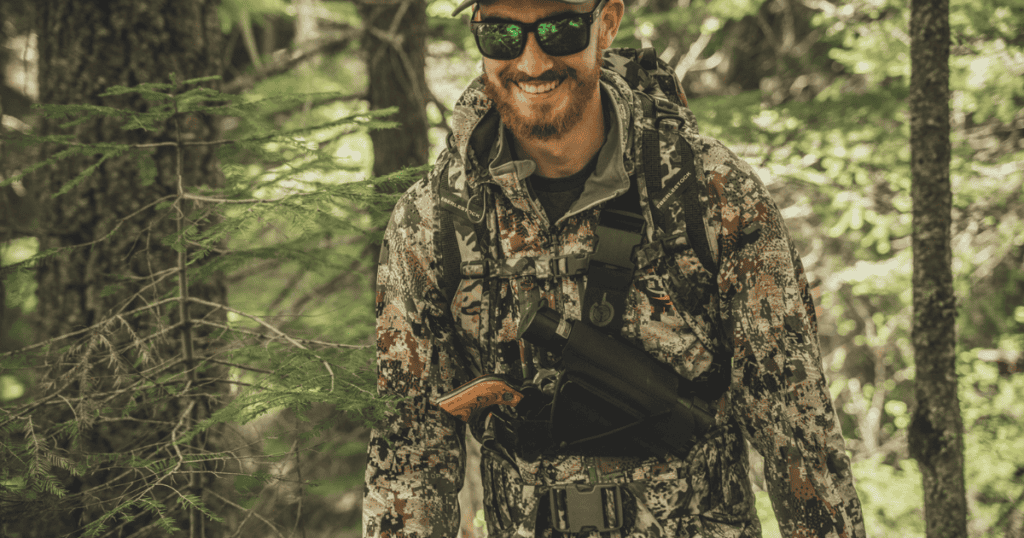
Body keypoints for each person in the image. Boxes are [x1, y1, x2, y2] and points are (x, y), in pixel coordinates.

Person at [364, 0, 866, 535]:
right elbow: (409, 461)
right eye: (502, 35)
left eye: (560, 28)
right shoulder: (433, 220)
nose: (532, 63)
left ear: (606, 24)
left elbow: (801, 440)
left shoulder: (711, 195)